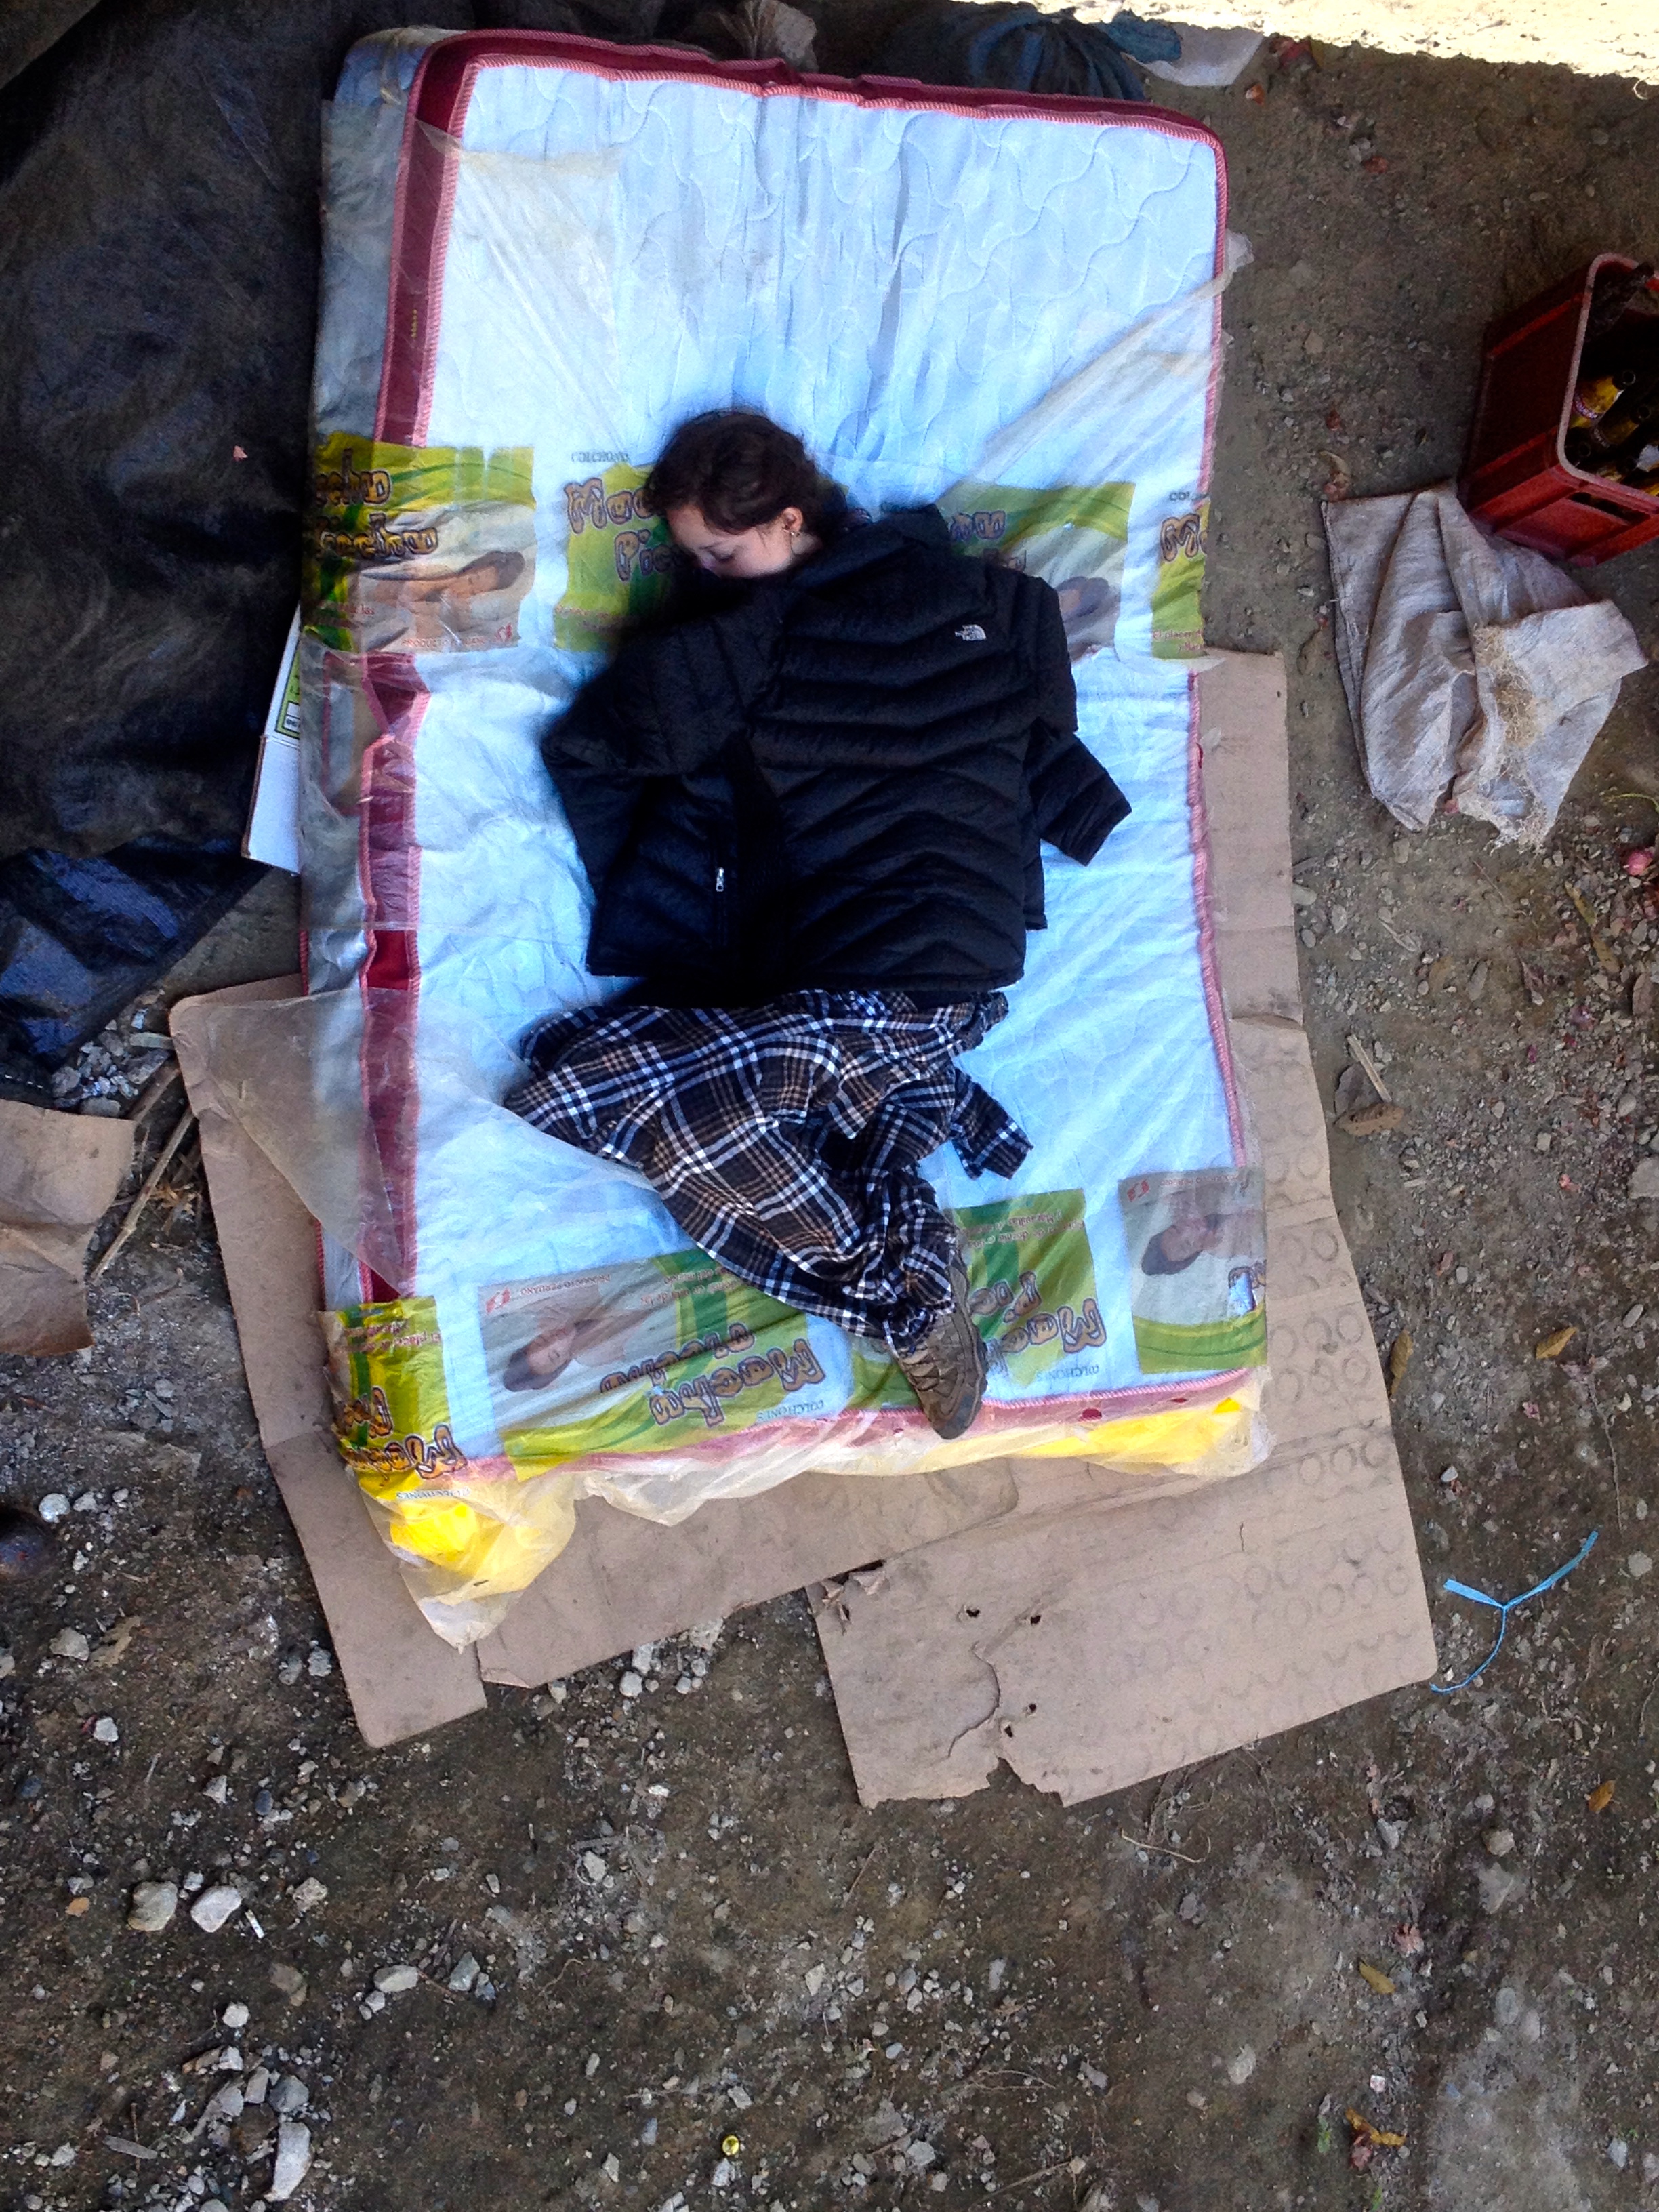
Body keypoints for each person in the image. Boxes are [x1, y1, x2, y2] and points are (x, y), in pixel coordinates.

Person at [506, 409, 1129, 1440]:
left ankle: (911, 1299)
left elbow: (594, 743)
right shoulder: (986, 597)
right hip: (956, 969)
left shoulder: (745, 642)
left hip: (873, 979)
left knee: (603, 1097)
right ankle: (900, 1236)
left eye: (720, 554)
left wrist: (665, 874)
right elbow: (1046, 737)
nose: (704, 575)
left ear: (792, 522)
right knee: (583, 1076)